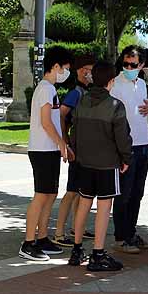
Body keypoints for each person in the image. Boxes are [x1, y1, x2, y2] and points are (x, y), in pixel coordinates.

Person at [67, 60, 130, 271]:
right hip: (107, 163)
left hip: (84, 162)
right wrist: (126, 158)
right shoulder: (115, 106)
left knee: (84, 203)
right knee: (104, 208)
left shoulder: (82, 101)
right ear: (111, 81)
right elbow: (122, 137)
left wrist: (75, 150)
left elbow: (73, 131)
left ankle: (76, 250)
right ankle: (98, 254)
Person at [19, 45, 74, 262]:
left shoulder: (50, 89)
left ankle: (42, 238)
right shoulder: (45, 89)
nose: (66, 73)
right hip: (42, 150)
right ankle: (28, 242)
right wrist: (62, 143)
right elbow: (45, 122)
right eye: (66, 68)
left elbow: (52, 122)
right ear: (56, 66)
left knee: (50, 194)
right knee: (41, 195)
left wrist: (61, 145)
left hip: (49, 149)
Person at [111, 46, 148, 254]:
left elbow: (142, 110)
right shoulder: (116, 84)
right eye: (126, 64)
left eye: (133, 65)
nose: (128, 67)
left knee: (137, 192)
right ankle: (121, 237)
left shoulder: (142, 84)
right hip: (125, 146)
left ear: (141, 65)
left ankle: (131, 232)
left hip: (142, 143)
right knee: (124, 194)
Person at [52, 55, 96, 246]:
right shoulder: (75, 93)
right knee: (71, 191)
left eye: (92, 69)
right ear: (79, 70)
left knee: (82, 192)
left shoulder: (90, 91)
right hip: (76, 149)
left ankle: (77, 227)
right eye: (86, 68)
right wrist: (65, 142)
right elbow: (61, 115)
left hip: (87, 149)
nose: (90, 73)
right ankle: (59, 233)